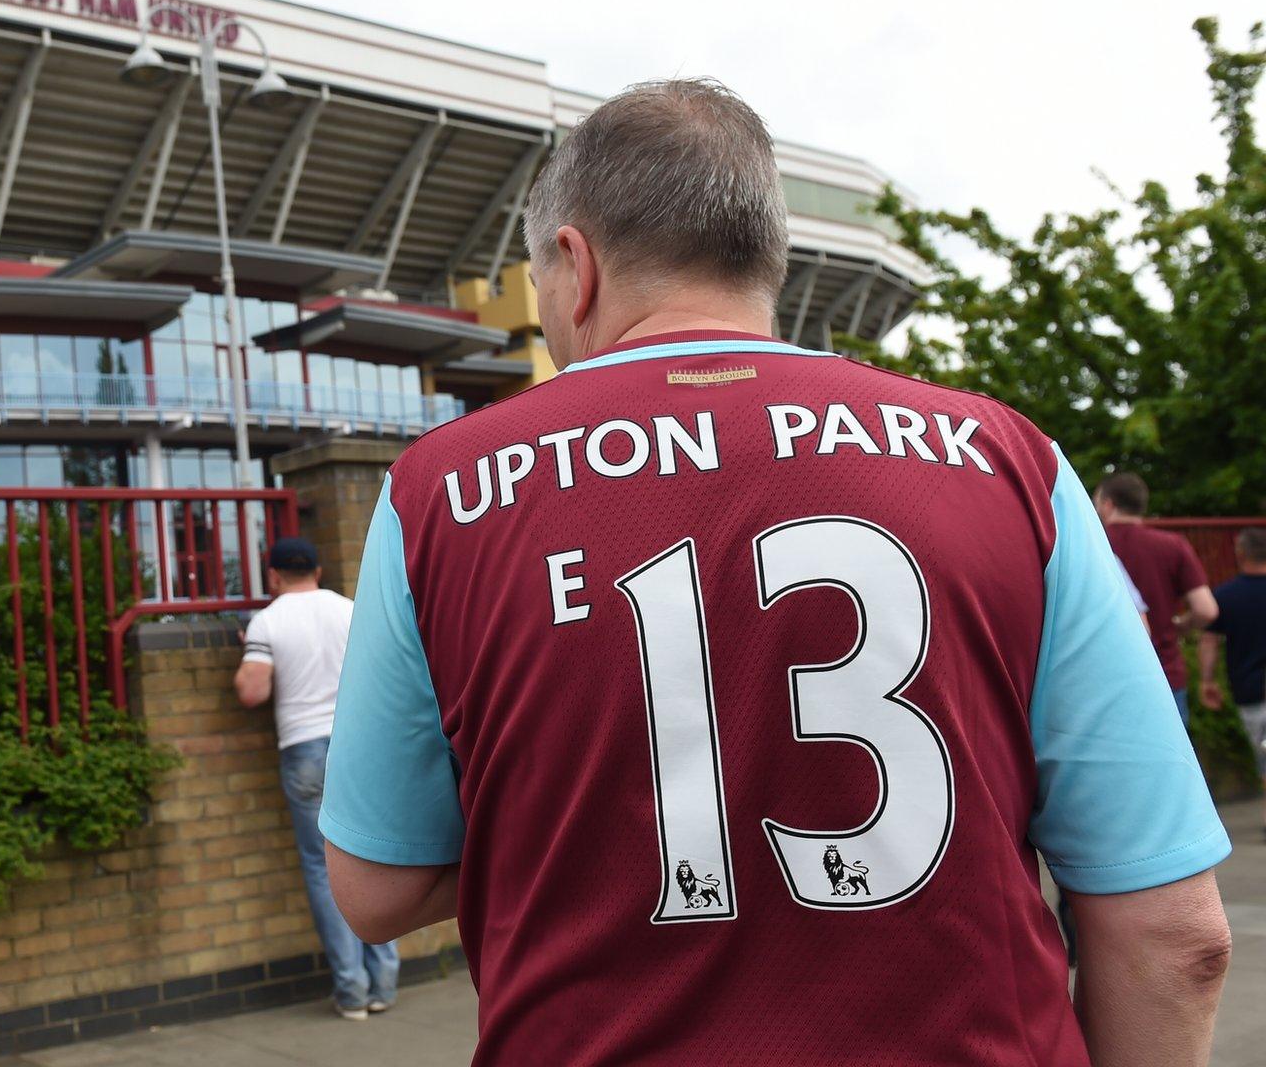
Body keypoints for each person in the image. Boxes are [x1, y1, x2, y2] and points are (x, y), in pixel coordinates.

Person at [319, 79, 1231, 1065]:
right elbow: (1173, 936)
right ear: (768, 260)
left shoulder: (439, 495)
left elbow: (373, 891)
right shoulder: (1007, 463)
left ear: (573, 267)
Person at [232, 536, 398, 1020]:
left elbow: (252, 691)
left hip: (304, 750)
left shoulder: (268, 620)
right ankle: (384, 983)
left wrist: (248, 652)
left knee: (323, 871)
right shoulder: (350, 609)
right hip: (360, 745)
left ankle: (351, 991)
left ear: (274, 577)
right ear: (319, 571)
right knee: (377, 857)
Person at [1096, 472, 1218, 721]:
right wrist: (1181, 626)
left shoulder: (1093, 544)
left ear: (1108, 504)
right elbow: (1206, 609)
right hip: (1164, 672)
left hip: (1106, 679)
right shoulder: (1172, 545)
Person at [1200, 526, 1266, 839]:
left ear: (1240, 553)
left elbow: (1210, 642)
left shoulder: (1225, 596)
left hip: (1252, 690)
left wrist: (1207, 680)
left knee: (1264, 754)